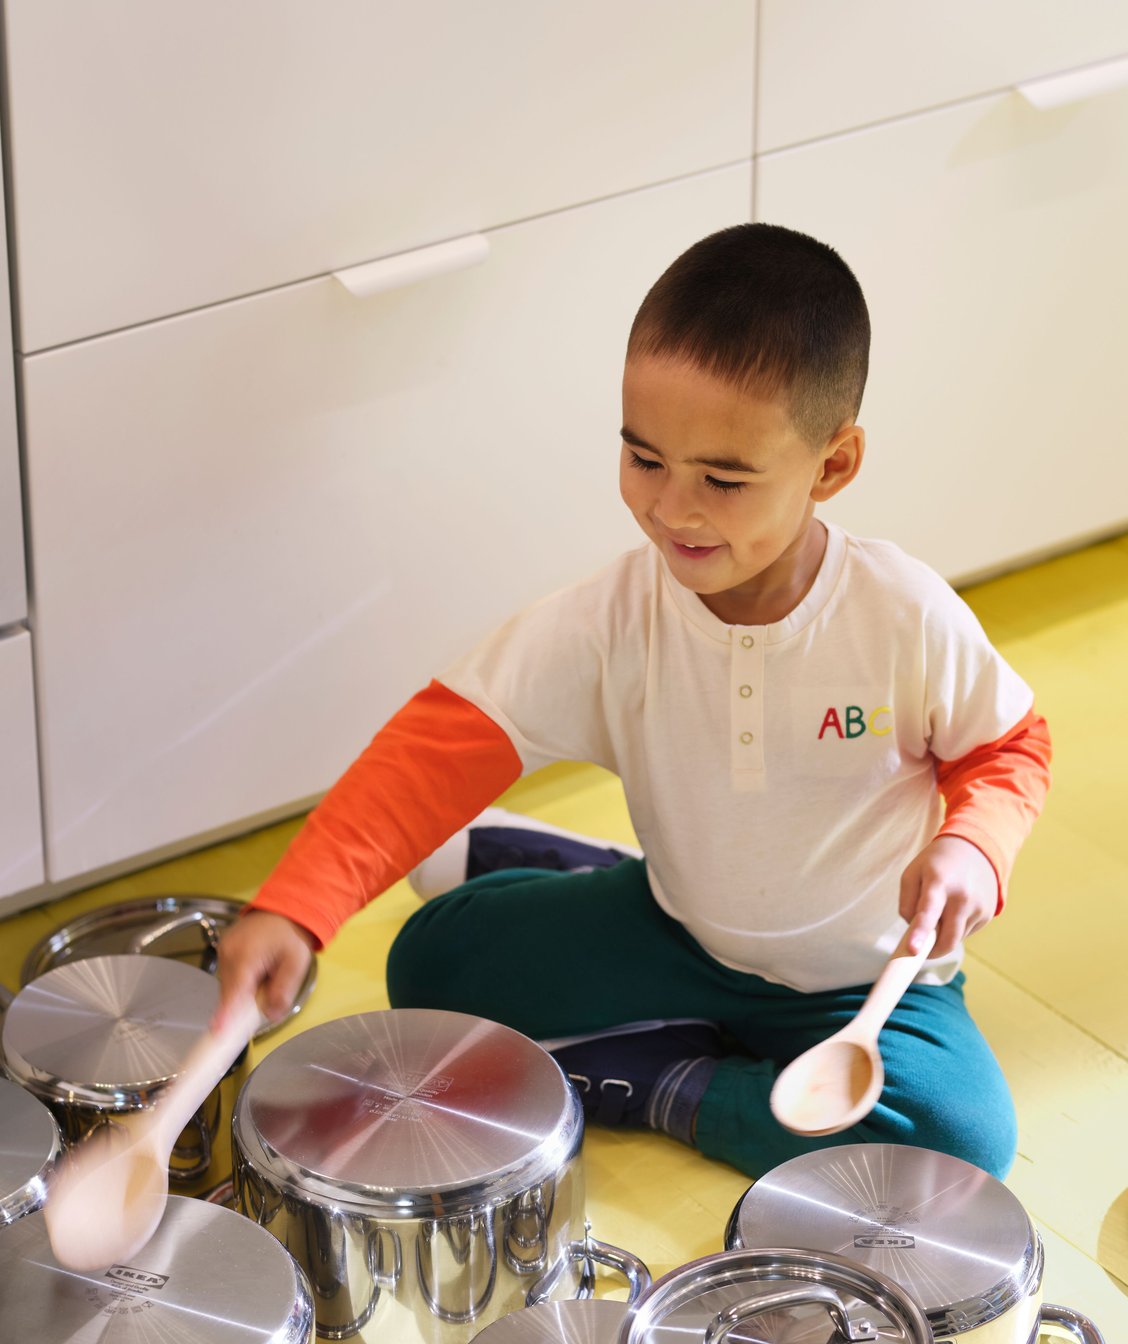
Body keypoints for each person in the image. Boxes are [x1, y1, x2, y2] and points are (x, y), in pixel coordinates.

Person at [214, 223, 1049, 1182]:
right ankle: (592, 893)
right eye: (645, 459)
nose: (672, 509)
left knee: (961, 1139)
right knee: (431, 965)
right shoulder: (608, 620)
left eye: (723, 479)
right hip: (677, 926)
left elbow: (1010, 749)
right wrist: (298, 909)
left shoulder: (904, 615)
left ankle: (668, 1081)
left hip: (867, 983)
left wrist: (974, 846)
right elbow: (435, 752)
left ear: (832, 465)